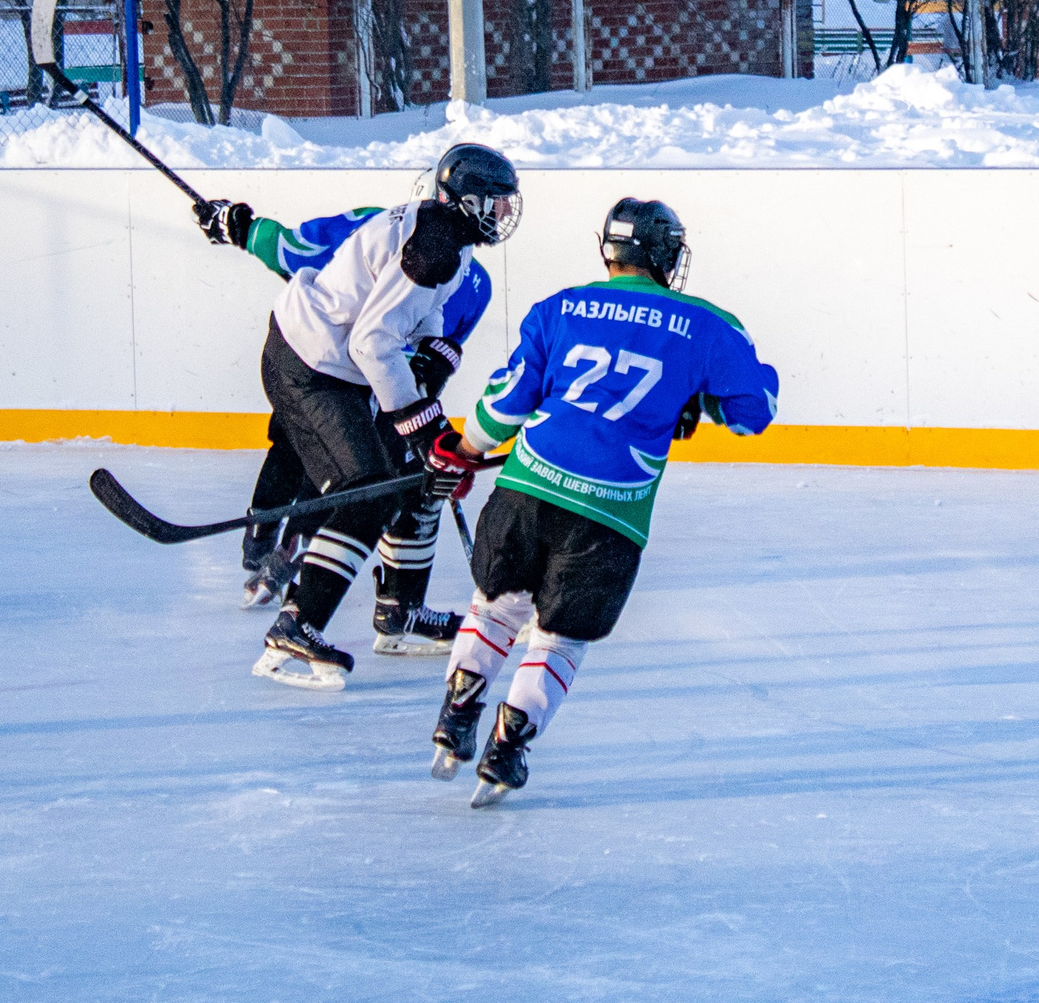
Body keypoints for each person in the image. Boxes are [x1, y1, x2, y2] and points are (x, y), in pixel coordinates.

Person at [430, 197, 779, 807]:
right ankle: (505, 751)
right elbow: (756, 413)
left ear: (608, 250)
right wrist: (700, 399)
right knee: (558, 639)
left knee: (495, 607)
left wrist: (461, 449)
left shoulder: (559, 307)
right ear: (668, 254)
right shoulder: (708, 324)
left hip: (525, 491)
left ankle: (457, 711)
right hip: (609, 516)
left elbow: (505, 407)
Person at [249, 143, 523, 690]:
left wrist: (432, 351)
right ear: (467, 201)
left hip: (335, 366)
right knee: (369, 489)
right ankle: (296, 625)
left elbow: (414, 312)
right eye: (495, 203)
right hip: (311, 366)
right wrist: (423, 424)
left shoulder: (448, 236)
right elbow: (373, 343)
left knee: (415, 479)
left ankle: (399, 614)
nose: (503, 214)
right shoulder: (437, 245)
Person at [194, 198, 492, 609]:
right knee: (351, 468)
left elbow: (291, 251)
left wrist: (241, 227)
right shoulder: (470, 271)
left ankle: (269, 534)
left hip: (349, 369)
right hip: (375, 383)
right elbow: (432, 355)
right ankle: (285, 544)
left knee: (318, 454)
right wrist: (424, 420)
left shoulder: (379, 222)